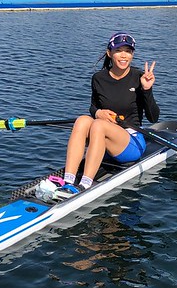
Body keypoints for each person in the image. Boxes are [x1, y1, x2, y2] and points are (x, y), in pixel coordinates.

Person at [54, 32, 159, 199]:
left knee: (98, 125)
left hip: (131, 142)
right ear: (110, 53)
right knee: (82, 120)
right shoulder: (98, 78)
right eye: (119, 50)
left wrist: (147, 90)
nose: (124, 55)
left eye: (128, 51)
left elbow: (154, 118)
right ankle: (68, 181)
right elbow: (93, 107)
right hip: (102, 141)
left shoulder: (139, 77)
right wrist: (98, 112)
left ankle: (85, 185)